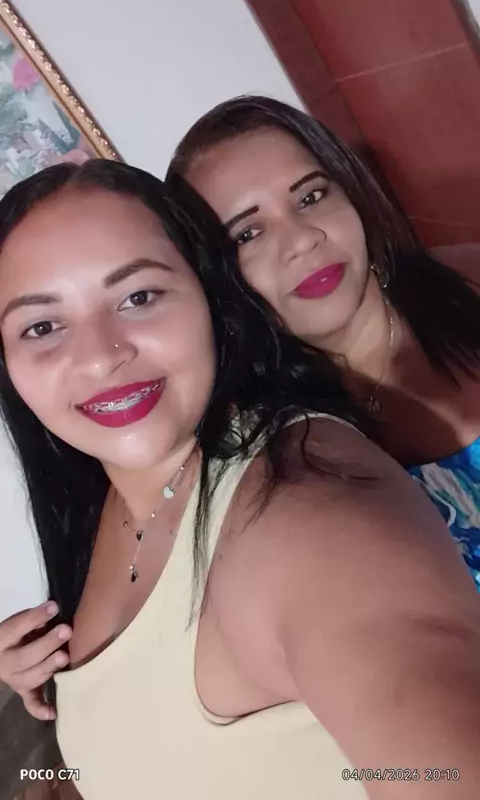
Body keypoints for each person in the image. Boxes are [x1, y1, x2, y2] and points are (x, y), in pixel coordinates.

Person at [0, 159, 479, 800]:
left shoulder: (309, 508)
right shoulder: (107, 497)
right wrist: (69, 692)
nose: (100, 356)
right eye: (42, 326)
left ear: (211, 298)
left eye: (139, 296)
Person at [167, 94, 480, 589]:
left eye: (310, 197)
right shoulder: (274, 452)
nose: (302, 240)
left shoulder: (469, 283)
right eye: (248, 233)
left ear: (352, 194)